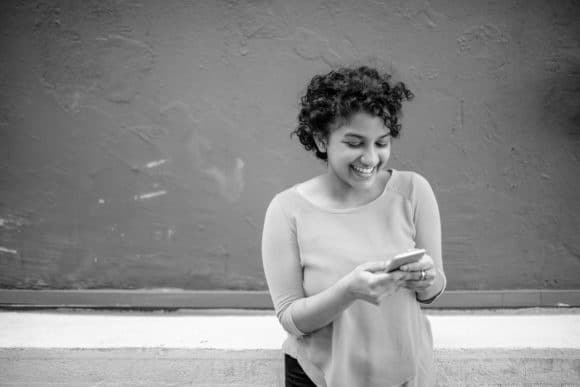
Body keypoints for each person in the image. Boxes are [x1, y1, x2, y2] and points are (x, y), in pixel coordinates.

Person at [261, 66, 446, 387]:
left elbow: (433, 292)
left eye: (382, 142)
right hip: (319, 377)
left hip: (407, 376)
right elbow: (291, 319)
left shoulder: (413, 191)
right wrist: (348, 291)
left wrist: (426, 277)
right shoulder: (286, 210)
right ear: (321, 140)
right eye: (355, 143)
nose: (371, 158)